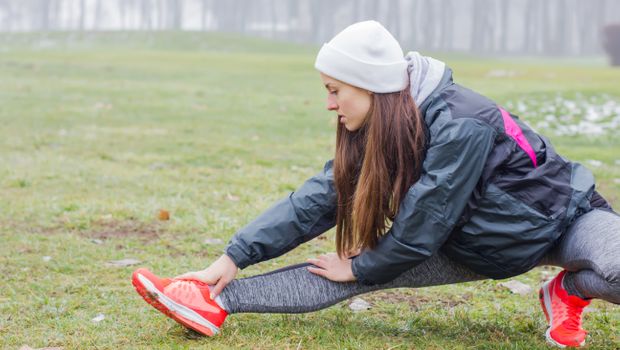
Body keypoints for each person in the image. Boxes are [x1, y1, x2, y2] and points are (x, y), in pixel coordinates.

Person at [131, 21, 619, 348]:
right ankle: (209, 299)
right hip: (474, 245)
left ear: (370, 86)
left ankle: (570, 290)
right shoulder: (382, 127)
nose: (329, 104)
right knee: (340, 271)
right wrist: (233, 257)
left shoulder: (461, 121)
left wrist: (364, 266)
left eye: (334, 90)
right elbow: (319, 199)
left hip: (564, 220)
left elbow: (426, 218)